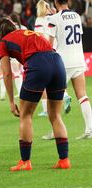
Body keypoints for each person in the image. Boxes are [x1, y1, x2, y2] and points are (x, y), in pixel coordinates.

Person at [0, 18, 70, 171]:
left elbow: (7, 74)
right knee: (55, 115)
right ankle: (64, 160)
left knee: (25, 114)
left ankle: (25, 162)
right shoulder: (25, 32)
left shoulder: (2, 42)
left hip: (38, 64)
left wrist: (11, 102)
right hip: (57, 62)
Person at [44, 0, 92, 139]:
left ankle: (56, 131)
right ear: (68, 2)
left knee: (52, 97)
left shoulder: (53, 19)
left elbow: (50, 45)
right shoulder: (77, 16)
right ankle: (90, 129)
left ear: (55, 2)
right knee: (83, 96)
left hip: (62, 62)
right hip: (78, 59)